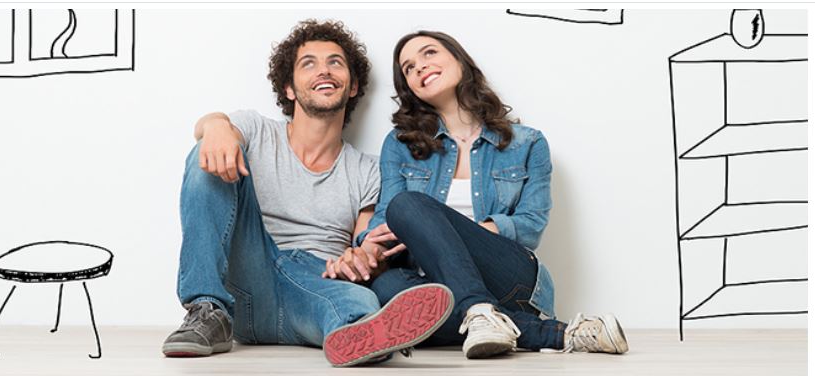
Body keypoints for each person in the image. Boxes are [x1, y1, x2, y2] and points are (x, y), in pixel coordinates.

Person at [163, 20, 454, 367]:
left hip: (314, 288)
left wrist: (362, 259)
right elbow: (211, 128)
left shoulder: (367, 170)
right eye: (308, 64)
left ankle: (362, 333)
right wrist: (214, 126)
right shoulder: (256, 130)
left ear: (352, 86)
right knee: (207, 154)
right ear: (288, 88)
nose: (323, 71)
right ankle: (205, 309)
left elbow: (364, 244)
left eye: (335, 62)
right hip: (245, 281)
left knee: (356, 303)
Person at [322, 30, 629, 359]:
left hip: (510, 276)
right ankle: (557, 332)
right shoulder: (400, 145)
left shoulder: (527, 143)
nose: (420, 68)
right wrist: (366, 245)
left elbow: (530, 225)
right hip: (433, 284)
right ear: (408, 86)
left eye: (429, 54)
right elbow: (387, 217)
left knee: (409, 204)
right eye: (409, 68)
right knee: (387, 289)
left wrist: (454, 234)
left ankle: (480, 306)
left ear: (459, 60)